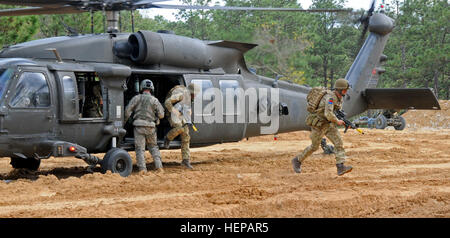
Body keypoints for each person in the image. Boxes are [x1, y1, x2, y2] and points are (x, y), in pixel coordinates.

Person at [292, 78, 353, 176]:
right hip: (319, 125)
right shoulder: (330, 98)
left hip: (329, 124)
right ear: (339, 90)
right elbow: (328, 113)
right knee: (314, 147)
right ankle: (297, 160)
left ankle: (340, 167)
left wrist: (345, 122)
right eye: (345, 90)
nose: (346, 92)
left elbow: (335, 112)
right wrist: (338, 121)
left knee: (339, 143)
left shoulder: (339, 98)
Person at [125, 79, 165, 173]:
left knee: (140, 149)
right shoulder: (155, 100)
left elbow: (127, 112)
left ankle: (142, 169)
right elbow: (161, 115)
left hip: (138, 127)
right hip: (151, 127)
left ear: (141, 87)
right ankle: (159, 166)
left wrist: (125, 123)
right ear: (151, 88)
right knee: (153, 147)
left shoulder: (136, 98)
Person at [163, 83, 200, 169]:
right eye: (195, 94)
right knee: (180, 128)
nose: (196, 96)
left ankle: (185, 161)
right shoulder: (181, 95)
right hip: (171, 113)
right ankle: (168, 138)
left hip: (180, 114)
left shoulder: (190, 98)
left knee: (186, 136)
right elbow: (167, 102)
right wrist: (176, 112)